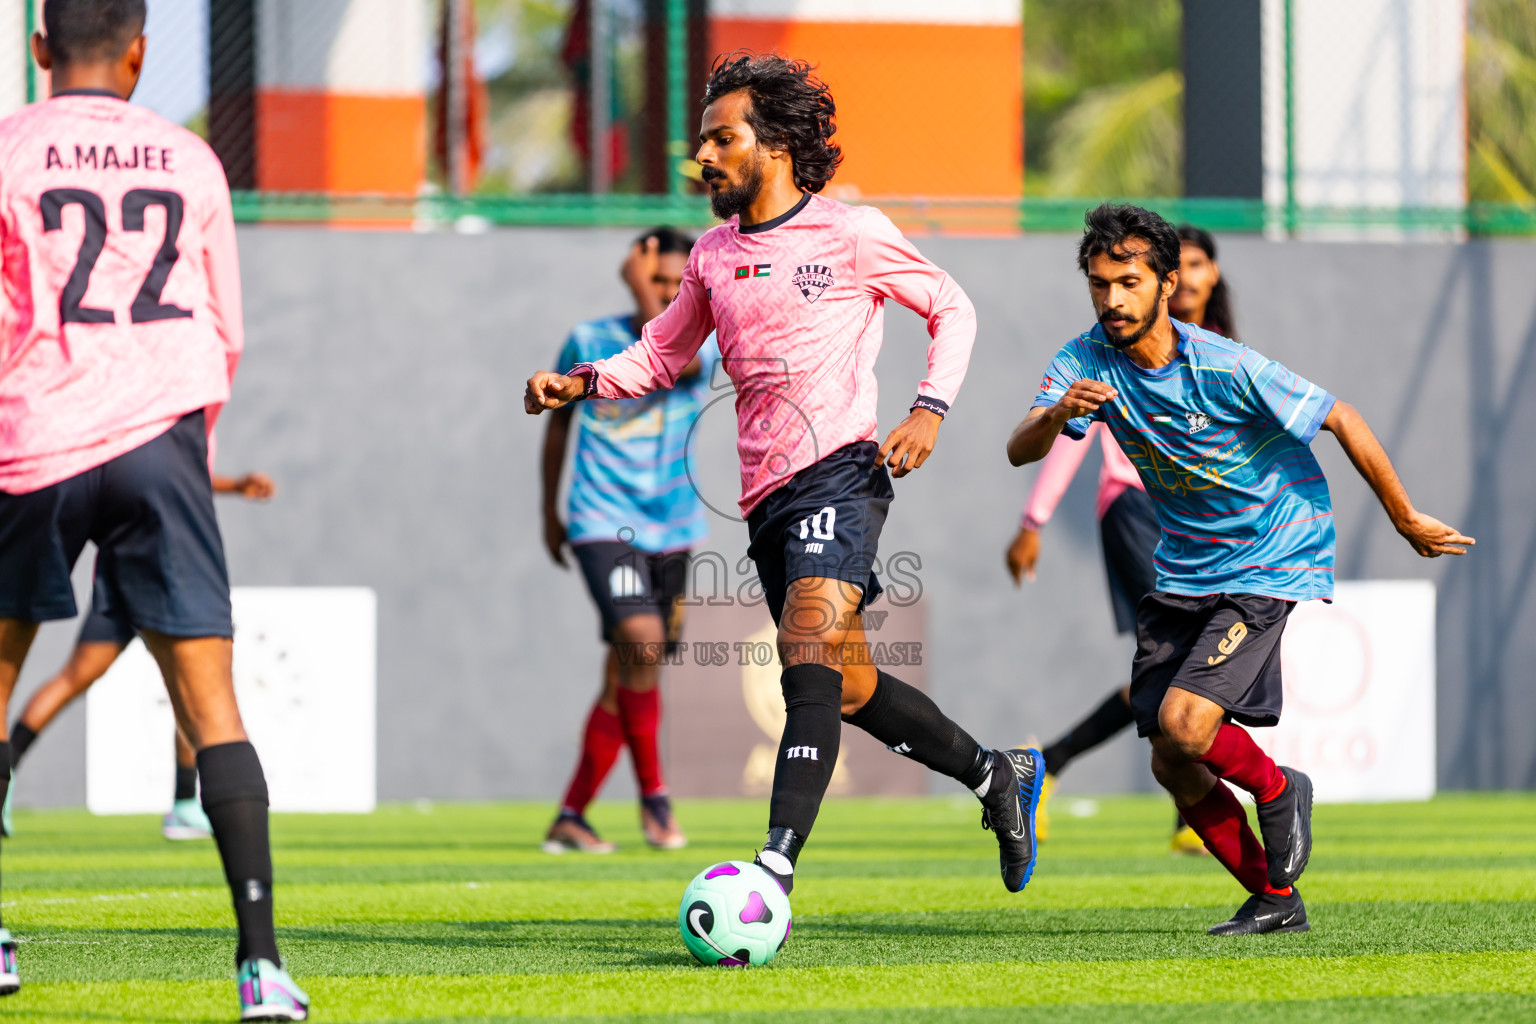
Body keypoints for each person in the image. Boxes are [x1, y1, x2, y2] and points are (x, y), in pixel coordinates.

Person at [526, 54, 1044, 901]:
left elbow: (952, 305)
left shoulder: (852, 232)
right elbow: (661, 353)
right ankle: (996, 776)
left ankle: (772, 868)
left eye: (721, 139)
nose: (705, 158)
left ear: (772, 146)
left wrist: (930, 408)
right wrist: (579, 382)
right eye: (701, 143)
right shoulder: (710, 257)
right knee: (848, 684)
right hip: (765, 498)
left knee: (802, 649)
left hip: (841, 473)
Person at [1006, 203, 1472, 936]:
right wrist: (1056, 411)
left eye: (1129, 283)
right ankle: (1276, 900)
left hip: (1270, 553)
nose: (1113, 300)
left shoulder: (1224, 363)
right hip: (1183, 568)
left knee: (1186, 724)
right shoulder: (1082, 361)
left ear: (1167, 285)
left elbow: (1342, 416)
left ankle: (1282, 788)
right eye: (1099, 284)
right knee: (1170, 759)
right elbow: (1021, 448)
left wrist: (1406, 517)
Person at [0, 3, 307, 1014]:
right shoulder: (189, 160)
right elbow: (225, 326)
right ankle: (261, 966)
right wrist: (188, 442)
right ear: (139, 51)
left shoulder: (10, 147)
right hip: (159, 440)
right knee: (213, 705)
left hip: (32, 436)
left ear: (40, 48)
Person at [1006, 225, 1235, 855]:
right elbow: (1067, 428)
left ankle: (1048, 763)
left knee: (1193, 667)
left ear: (1208, 276)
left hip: (1202, 523)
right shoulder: (1114, 347)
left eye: (1196, 266)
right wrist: (1035, 519)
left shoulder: (1222, 354)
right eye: (1107, 282)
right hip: (1134, 509)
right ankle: (1185, 809)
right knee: (1190, 663)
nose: (1186, 277)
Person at [540, 228, 717, 855]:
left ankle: (571, 815)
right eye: (658, 280)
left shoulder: (705, 346)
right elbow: (558, 427)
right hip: (601, 520)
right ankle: (655, 801)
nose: (669, 293)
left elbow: (678, 363)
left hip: (675, 529)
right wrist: (549, 512)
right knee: (641, 646)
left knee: (630, 674)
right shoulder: (589, 341)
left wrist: (642, 289)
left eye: (677, 284)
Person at [3, 473, 276, 843]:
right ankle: (182, 805)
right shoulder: (167, 429)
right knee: (187, 684)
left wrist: (235, 486)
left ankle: (183, 804)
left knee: (82, 679)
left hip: (136, 576)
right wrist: (237, 485)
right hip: (161, 578)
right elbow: (178, 476)